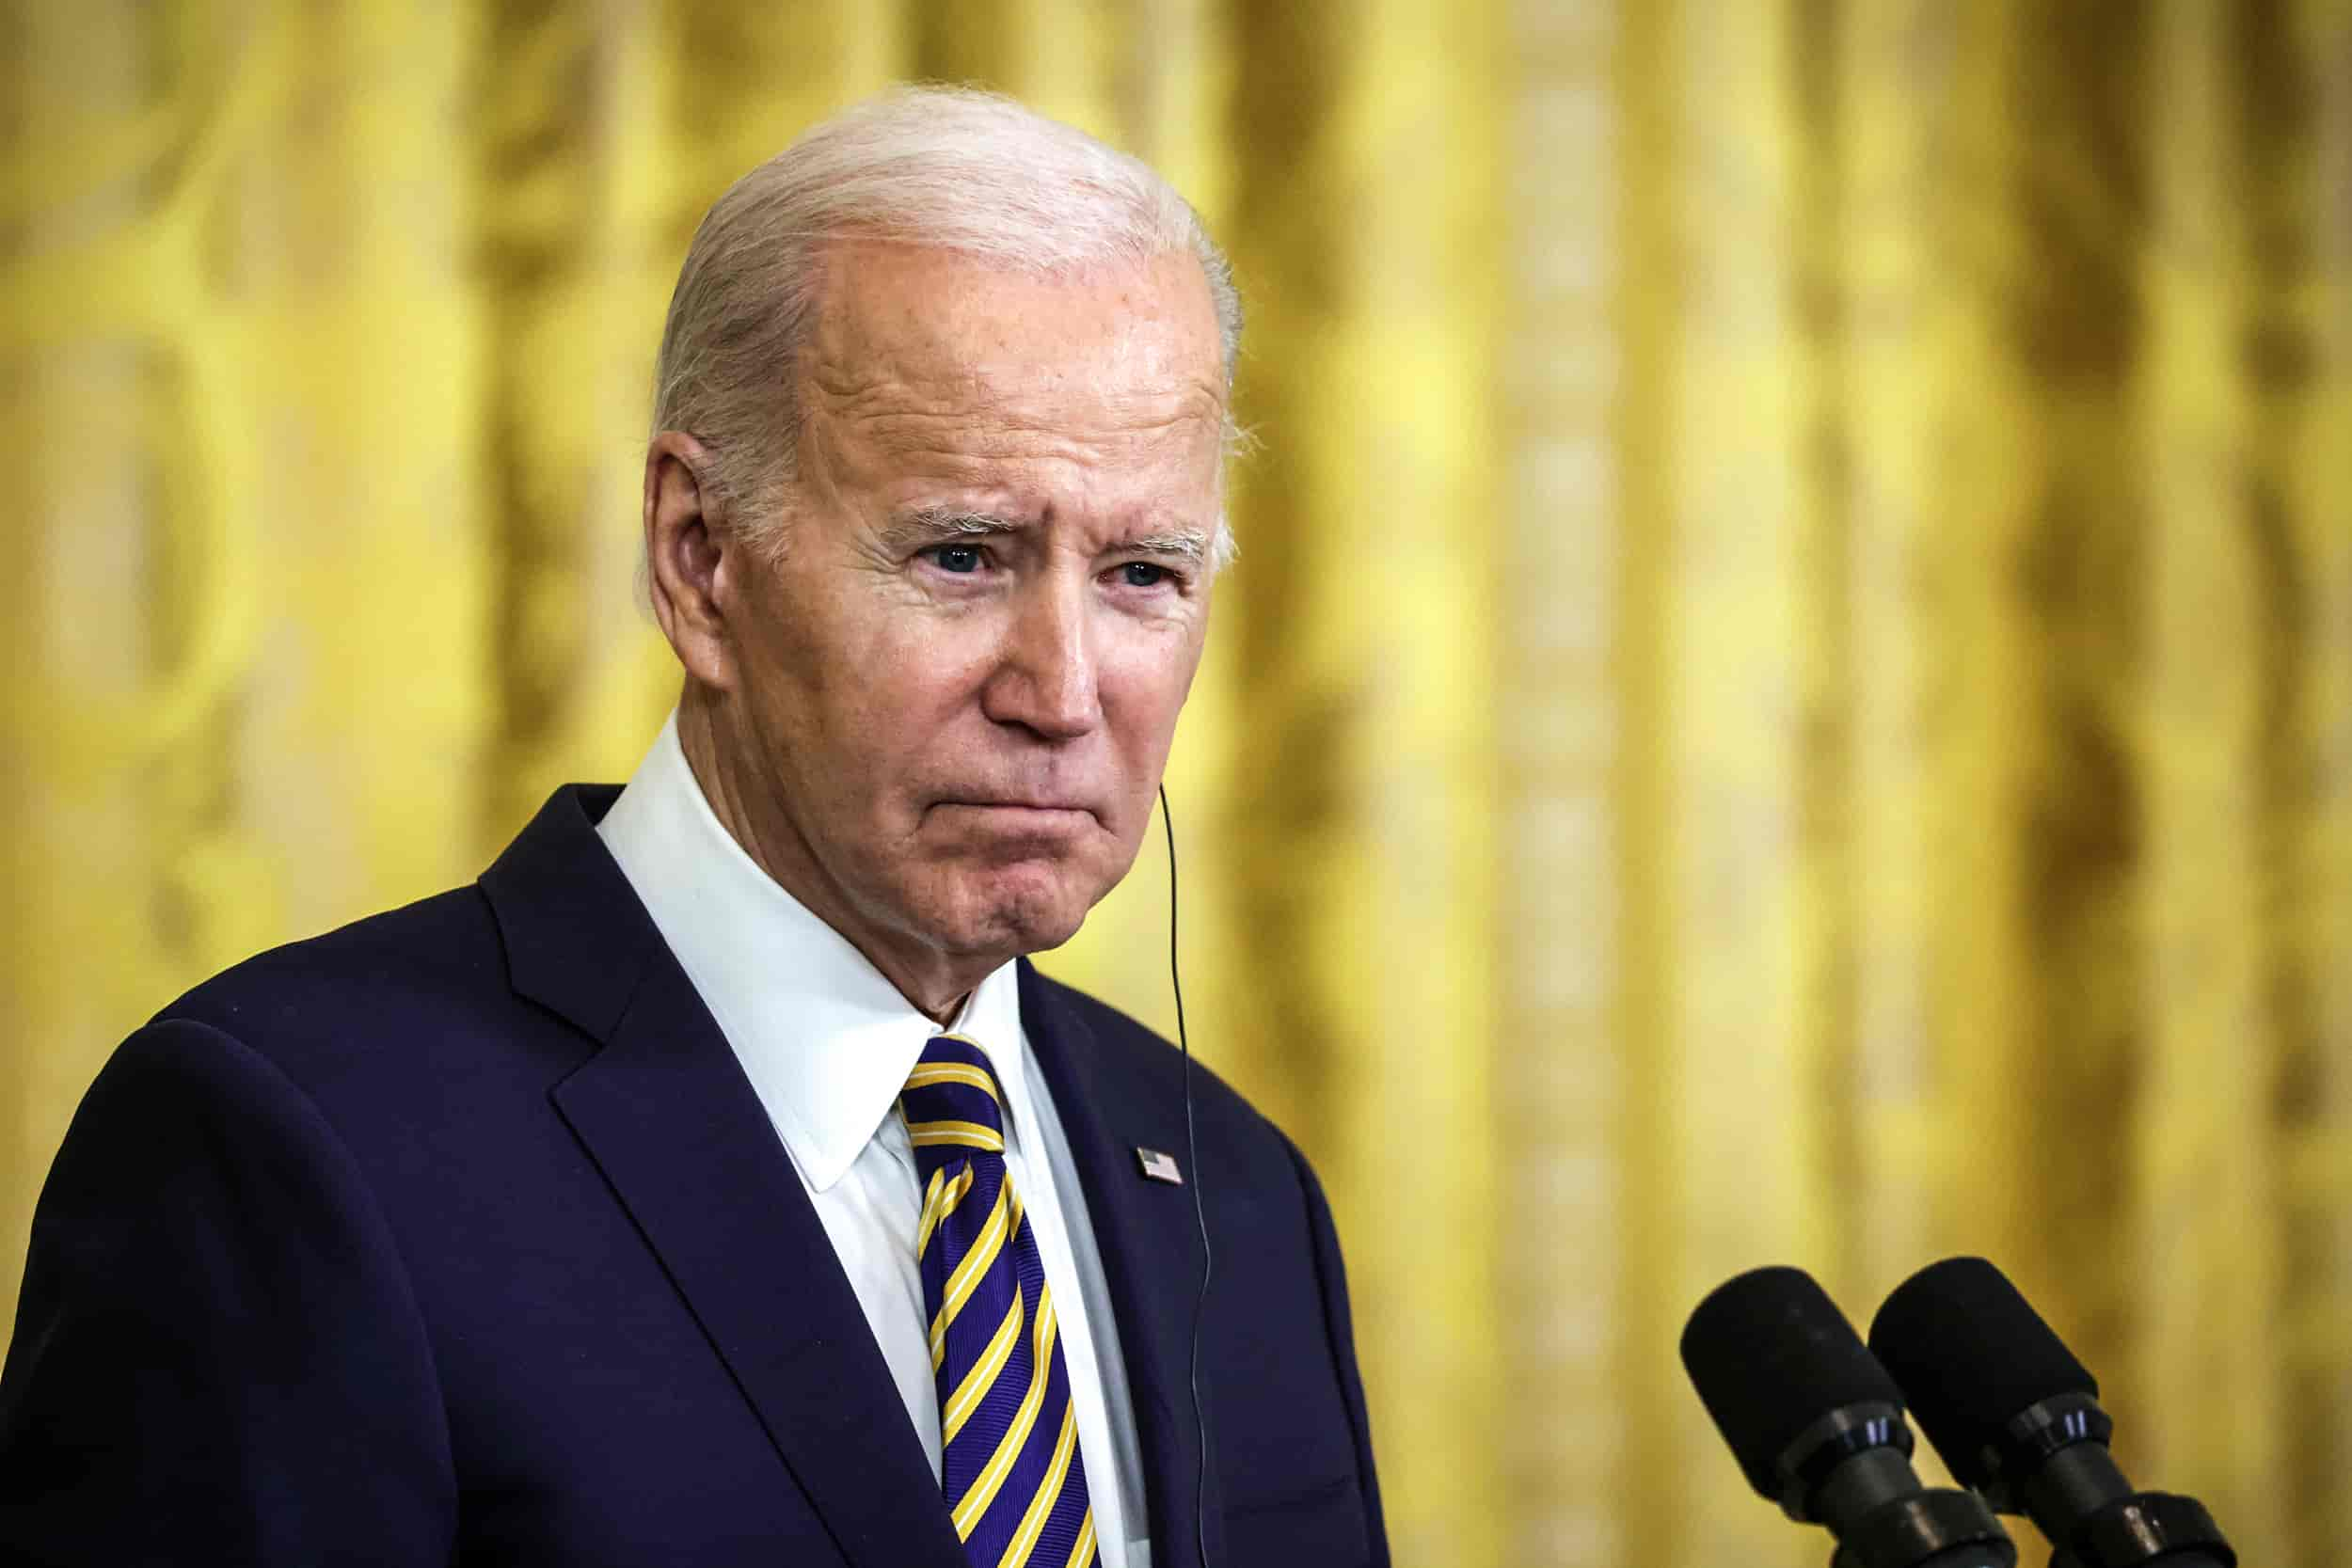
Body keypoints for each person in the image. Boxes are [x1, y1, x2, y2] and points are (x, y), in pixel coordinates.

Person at [0, 87, 1388, 1568]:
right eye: (963, 553)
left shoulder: (1241, 1197)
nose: (1062, 692)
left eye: (1142, 576)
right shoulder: (288, 1151)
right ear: (700, 557)